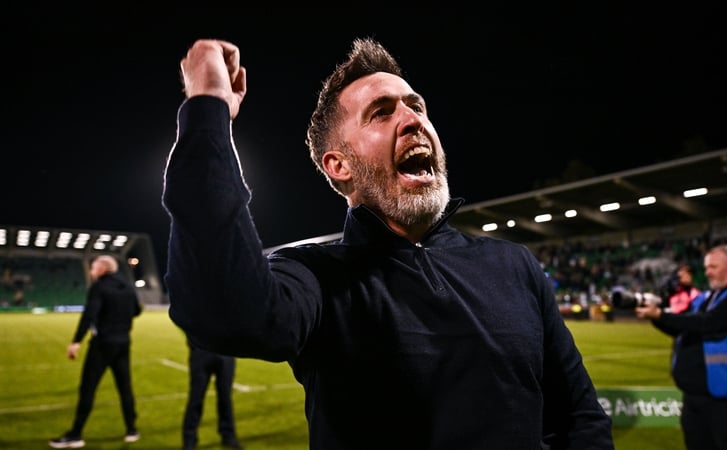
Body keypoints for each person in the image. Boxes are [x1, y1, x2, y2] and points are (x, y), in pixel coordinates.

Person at [162, 38, 614, 450]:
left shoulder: (515, 264)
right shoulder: (319, 276)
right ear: (339, 166)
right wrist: (208, 106)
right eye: (381, 112)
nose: (413, 120)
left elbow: (579, 416)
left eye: (416, 106)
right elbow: (224, 310)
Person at [635, 244, 727, 450]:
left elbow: (709, 323)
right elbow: (682, 327)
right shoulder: (711, 297)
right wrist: (655, 316)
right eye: (706, 267)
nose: (707, 272)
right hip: (701, 393)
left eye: (713, 266)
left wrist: (660, 315)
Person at [49, 255, 143, 449]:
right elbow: (137, 310)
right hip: (123, 342)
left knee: (87, 389)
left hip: (102, 345)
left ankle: (76, 434)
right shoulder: (127, 286)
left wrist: (76, 341)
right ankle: (132, 430)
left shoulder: (99, 287)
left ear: (103, 268)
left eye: (93, 267)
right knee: (125, 388)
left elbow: (89, 314)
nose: (91, 271)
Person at [182, 339, 242, 450]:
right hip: (201, 353)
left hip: (226, 354)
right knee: (196, 398)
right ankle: (189, 440)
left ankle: (228, 435)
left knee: (225, 397)